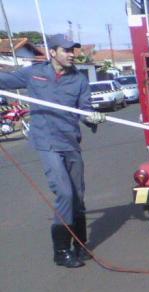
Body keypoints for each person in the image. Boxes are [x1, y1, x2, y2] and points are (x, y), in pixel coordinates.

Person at [0, 35, 106, 268]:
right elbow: (4, 80)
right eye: (66, 50)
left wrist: (92, 117)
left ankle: (80, 245)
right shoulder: (34, 73)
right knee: (65, 194)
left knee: (77, 196)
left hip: (70, 141)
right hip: (46, 142)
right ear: (53, 52)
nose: (71, 54)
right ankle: (61, 251)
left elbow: (85, 110)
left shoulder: (79, 80)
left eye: (73, 50)